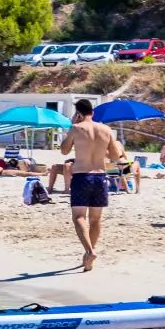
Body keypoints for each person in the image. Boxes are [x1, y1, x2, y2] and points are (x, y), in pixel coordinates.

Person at [58, 98, 124, 272]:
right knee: (95, 219)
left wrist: (72, 127)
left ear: (78, 113)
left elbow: (64, 150)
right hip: (100, 177)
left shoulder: (76, 128)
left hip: (82, 176)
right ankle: (89, 258)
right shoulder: (106, 129)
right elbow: (115, 156)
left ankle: (89, 251)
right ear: (92, 113)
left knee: (79, 217)